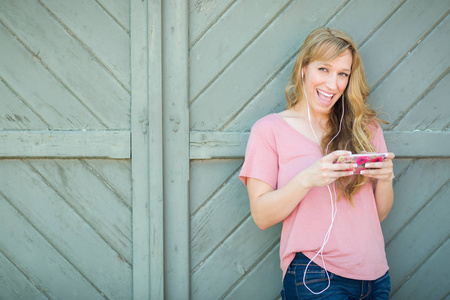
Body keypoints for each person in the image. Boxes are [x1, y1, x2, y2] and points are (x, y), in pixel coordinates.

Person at [239, 28, 395, 299]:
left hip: (376, 277)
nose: (333, 84)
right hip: (315, 275)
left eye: (342, 74)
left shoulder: (365, 128)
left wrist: (384, 177)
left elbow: (376, 214)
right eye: (323, 69)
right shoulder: (269, 130)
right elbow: (262, 216)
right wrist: (308, 178)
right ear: (303, 69)